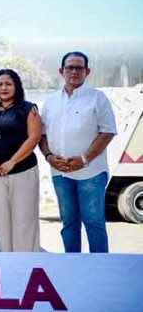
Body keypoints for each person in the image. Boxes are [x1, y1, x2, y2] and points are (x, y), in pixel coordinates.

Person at [40, 51, 116, 253]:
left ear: (87, 71)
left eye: (79, 68)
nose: (74, 72)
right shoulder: (51, 101)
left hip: (91, 173)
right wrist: (49, 157)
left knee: (94, 222)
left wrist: (84, 159)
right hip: (60, 173)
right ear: (61, 71)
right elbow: (42, 135)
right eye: (69, 68)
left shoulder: (97, 98)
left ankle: (100, 265)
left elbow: (107, 132)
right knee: (69, 223)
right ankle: (72, 265)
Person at [0, 69, 42, 252]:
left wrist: (12, 162)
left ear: (16, 86)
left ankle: (27, 264)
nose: (4, 88)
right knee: (1, 223)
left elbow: (34, 138)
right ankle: (9, 263)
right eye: (0, 84)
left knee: (24, 222)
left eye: (8, 84)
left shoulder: (28, 109)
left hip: (23, 172)